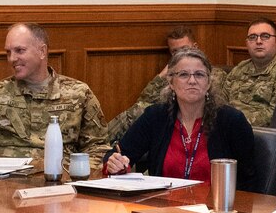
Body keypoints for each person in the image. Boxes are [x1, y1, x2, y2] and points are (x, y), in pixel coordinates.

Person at [0, 22, 109, 162]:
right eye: (8, 52)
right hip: (4, 179)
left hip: (60, 177)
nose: (12, 59)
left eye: (20, 50)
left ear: (42, 51)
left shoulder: (79, 93)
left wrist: (81, 173)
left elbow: (98, 148)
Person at [104, 48, 254, 184]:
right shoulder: (155, 116)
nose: (192, 81)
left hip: (215, 203)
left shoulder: (231, 120)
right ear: (171, 82)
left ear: (208, 83)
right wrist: (115, 163)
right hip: (163, 202)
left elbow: (250, 178)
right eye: (183, 75)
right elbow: (119, 154)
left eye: (199, 75)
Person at [103, 25, 224, 144]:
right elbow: (144, 99)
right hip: (167, 114)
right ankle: (102, 140)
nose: (181, 54)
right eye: (175, 52)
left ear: (195, 47)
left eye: (184, 49)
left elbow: (216, 101)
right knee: (139, 109)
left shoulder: (214, 73)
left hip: (198, 116)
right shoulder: (171, 74)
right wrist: (163, 75)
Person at [223, 16, 276, 127]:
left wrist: (237, 123)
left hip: (261, 134)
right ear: (247, 43)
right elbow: (221, 101)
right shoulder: (240, 69)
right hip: (229, 129)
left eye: (265, 36)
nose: (258, 41)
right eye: (252, 37)